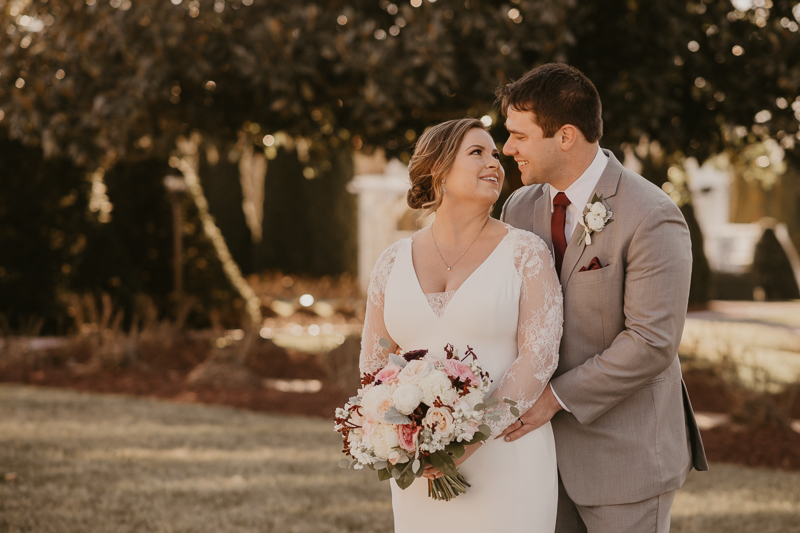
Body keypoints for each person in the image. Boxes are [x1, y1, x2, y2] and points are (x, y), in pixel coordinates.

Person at [497, 63, 708, 533]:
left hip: (626, 457)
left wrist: (553, 397)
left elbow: (652, 342)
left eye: (519, 136)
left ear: (566, 135)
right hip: (538, 458)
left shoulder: (652, 215)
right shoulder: (519, 206)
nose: (506, 148)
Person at [359, 117, 563, 531]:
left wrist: (468, 438)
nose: (495, 162)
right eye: (477, 153)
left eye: (494, 154)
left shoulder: (526, 253)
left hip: (508, 457)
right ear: (439, 171)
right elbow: (373, 365)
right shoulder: (391, 262)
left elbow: (538, 358)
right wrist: (401, 438)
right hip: (421, 468)